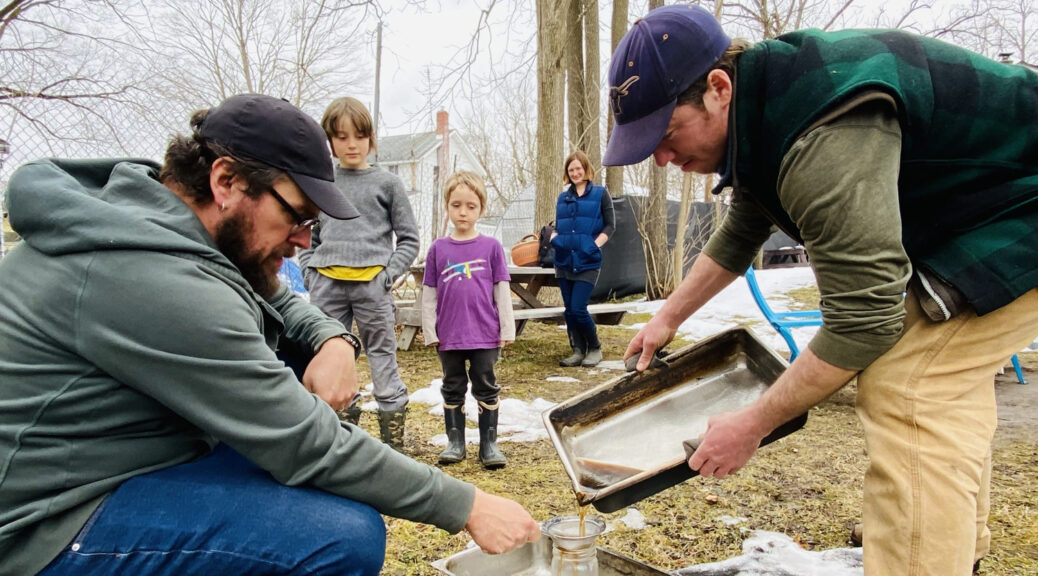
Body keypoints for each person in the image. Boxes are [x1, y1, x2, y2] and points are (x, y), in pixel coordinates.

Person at [0, 93, 541, 576]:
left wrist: (334, 339)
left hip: (121, 457)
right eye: (297, 216)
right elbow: (305, 442)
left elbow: (279, 299)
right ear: (227, 182)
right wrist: (465, 505)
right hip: (46, 521)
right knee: (342, 538)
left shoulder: (168, 227)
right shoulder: (148, 277)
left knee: (333, 503)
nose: (305, 241)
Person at [605, 6, 1037, 576]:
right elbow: (744, 226)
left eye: (664, 134)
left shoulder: (819, 136)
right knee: (939, 375)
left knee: (907, 384)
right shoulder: (767, 104)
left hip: (1019, 213)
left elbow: (865, 321)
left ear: (717, 88)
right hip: (980, 216)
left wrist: (752, 424)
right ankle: (958, 547)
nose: (660, 157)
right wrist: (668, 318)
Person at [298, 96, 420, 451]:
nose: (351, 144)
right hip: (326, 288)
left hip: (372, 288)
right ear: (330, 142)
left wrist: (388, 275)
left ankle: (391, 450)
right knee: (330, 358)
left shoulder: (388, 184)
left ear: (370, 138)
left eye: (359, 136)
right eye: (341, 137)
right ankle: (339, 446)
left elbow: (409, 238)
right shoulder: (320, 183)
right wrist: (309, 272)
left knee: (382, 359)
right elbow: (309, 235)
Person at [421, 171, 515, 469]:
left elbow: (501, 290)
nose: (463, 212)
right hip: (449, 335)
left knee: (486, 385)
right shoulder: (438, 249)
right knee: (452, 386)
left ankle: (489, 444)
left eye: (471, 206)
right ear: (448, 207)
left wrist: (507, 327)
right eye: (457, 205)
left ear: (481, 210)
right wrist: (429, 330)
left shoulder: (491, 248)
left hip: (484, 334)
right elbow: (429, 294)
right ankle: (455, 442)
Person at [550, 150, 615, 368]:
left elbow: (610, 225)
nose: (575, 172)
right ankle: (577, 350)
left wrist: (593, 245)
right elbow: (560, 226)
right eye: (571, 169)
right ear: (567, 173)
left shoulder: (600, 193)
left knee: (578, 308)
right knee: (569, 310)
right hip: (564, 261)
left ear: (586, 169)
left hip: (588, 261)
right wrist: (554, 238)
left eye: (578, 168)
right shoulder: (563, 197)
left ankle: (594, 347)